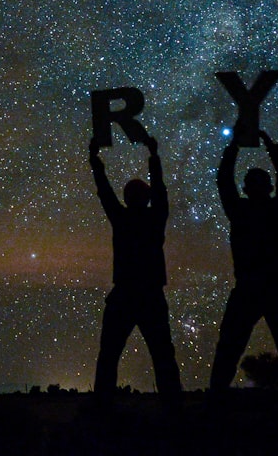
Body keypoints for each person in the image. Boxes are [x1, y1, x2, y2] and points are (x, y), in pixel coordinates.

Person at [209, 129, 278, 400]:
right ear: (269, 187)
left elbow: (223, 181)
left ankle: (216, 403)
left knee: (229, 349)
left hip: (250, 289)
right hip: (275, 289)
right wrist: (273, 147)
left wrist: (233, 148)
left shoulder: (240, 211)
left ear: (246, 188)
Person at [90, 135, 182, 409]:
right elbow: (161, 191)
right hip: (150, 295)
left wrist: (96, 162)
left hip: (125, 294)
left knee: (109, 355)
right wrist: (153, 156)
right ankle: (173, 408)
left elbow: (104, 191)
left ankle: (102, 408)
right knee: (163, 356)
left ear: (128, 198)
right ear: (148, 197)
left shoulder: (121, 218)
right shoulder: (155, 218)